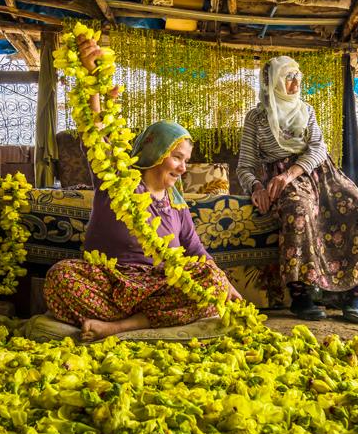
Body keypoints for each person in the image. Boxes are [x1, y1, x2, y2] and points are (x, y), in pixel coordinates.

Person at [44, 39, 241, 340]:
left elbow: (197, 252)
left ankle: (122, 327)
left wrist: (225, 283)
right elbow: (97, 133)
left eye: (186, 160)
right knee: (61, 277)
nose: (183, 167)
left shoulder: (177, 206)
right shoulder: (119, 182)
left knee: (210, 280)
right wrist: (92, 77)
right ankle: (148, 320)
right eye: (177, 157)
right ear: (154, 153)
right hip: (109, 283)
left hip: (159, 288)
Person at [237, 55, 358, 323]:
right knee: (299, 211)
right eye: (288, 77)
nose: (295, 83)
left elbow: (318, 148)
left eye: (297, 76)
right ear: (273, 82)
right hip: (281, 177)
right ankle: (301, 295)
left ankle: (354, 295)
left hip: (319, 172)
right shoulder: (256, 118)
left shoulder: (307, 110)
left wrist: (291, 173)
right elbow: (245, 165)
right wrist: (256, 186)